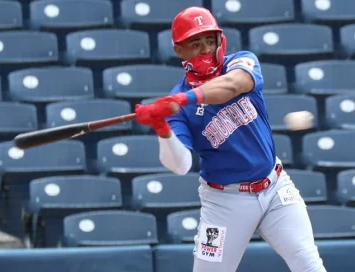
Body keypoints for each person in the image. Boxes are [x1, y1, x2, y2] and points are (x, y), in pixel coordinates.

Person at [134, 6, 327, 272]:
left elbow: (233, 86)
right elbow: (179, 166)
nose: (205, 49)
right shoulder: (177, 105)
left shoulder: (240, 63)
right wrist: (162, 129)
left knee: (308, 264)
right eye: (196, 43)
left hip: (275, 188)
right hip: (225, 202)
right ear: (180, 50)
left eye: (210, 41)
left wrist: (186, 98)